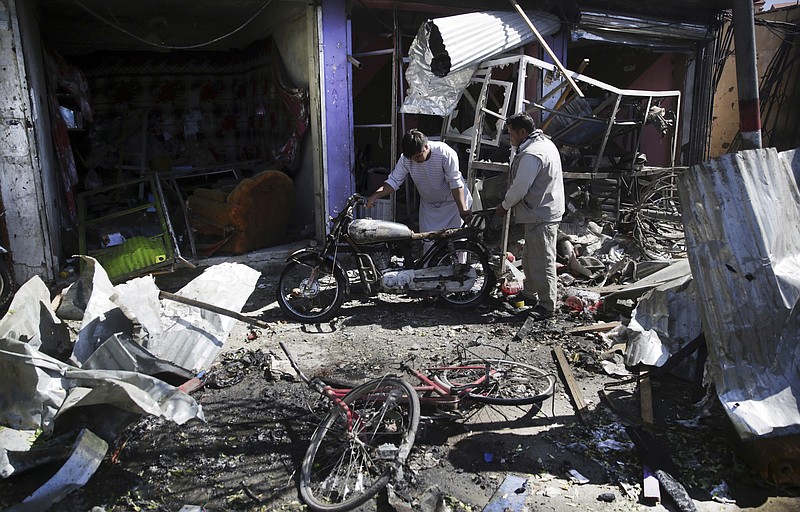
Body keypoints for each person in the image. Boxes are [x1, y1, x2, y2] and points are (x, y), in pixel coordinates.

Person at [495, 112, 564, 320]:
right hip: (540, 210)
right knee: (531, 257)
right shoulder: (543, 144)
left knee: (542, 260)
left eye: (511, 134)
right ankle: (530, 294)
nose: (510, 138)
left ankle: (547, 305)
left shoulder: (532, 154)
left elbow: (520, 187)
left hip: (540, 213)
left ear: (522, 132)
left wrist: (505, 205)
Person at [366, 129, 472, 237]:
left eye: (417, 156)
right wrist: (375, 196)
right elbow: (393, 181)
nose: (415, 160)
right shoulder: (406, 159)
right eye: (412, 158)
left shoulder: (444, 153)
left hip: (453, 204)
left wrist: (463, 210)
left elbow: (455, 182)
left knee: (457, 242)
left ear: (425, 147)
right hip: (429, 207)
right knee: (429, 243)